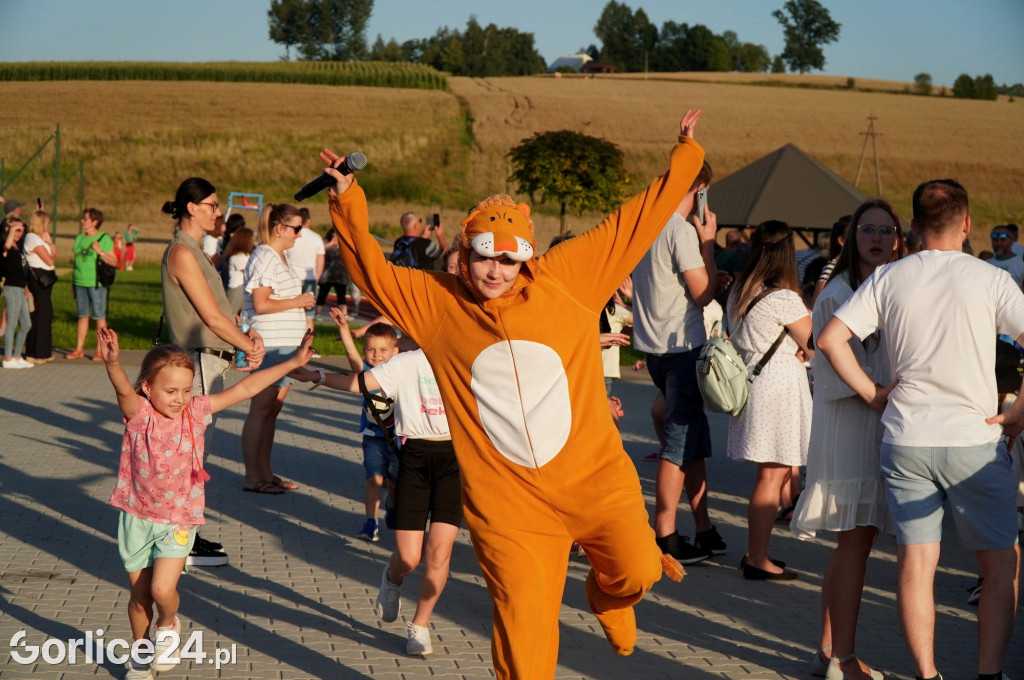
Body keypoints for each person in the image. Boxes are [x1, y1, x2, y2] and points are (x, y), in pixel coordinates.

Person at [318, 109, 705, 679]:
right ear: (463, 253)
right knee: (523, 635)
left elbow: (635, 221)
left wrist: (686, 156)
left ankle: (608, 598)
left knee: (639, 568)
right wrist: (349, 198)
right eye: (482, 256)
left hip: (594, 479)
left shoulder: (567, 279)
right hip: (509, 508)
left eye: (508, 258)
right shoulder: (441, 304)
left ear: (524, 254)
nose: (495, 271)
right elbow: (371, 271)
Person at [817, 179, 1022, 680]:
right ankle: (989, 672)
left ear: (911, 227)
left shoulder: (890, 278)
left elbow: (829, 338)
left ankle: (928, 674)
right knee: (1000, 562)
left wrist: (871, 393)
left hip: (906, 438)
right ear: (968, 224)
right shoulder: (990, 278)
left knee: (917, 562)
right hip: (973, 439)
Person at [98, 326, 313, 680]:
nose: (180, 398)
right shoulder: (139, 415)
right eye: (170, 391)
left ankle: (167, 627)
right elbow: (123, 387)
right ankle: (140, 658)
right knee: (139, 600)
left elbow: (246, 387)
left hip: (179, 519)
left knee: (162, 590)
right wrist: (113, 363)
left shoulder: (195, 413)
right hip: (137, 518)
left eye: (186, 389)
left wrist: (291, 362)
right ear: (148, 388)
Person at [791, 200, 905, 680]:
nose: (876, 238)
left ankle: (827, 650)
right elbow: (834, 365)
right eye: (867, 229)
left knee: (854, 542)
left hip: (871, 421)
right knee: (854, 542)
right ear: (850, 237)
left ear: (899, 238)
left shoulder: (886, 287)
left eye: (886, 230)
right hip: (852, 424)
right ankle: (843, 658)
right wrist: (878, 393)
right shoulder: (840, 293)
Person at [291, 347, 461, 657]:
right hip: (415, 459)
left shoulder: (464, 356)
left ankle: (420, 627)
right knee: (410, 558)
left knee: (440, 551)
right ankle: (391, 578)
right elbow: (359, 383)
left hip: (456, 461)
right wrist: (318, 375)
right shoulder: (407, 362)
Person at [161, 177, 266, 565]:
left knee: (194, 454)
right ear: (192, 207)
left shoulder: (194, 251)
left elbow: (221, 313)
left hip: (207, 359)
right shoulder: (183, 253)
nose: (218, 212)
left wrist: (243, 331)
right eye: (212, 204)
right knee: (189, 454)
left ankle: (184, 536)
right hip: (196, 361)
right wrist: (248, 344)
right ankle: (181, 539)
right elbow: (209, 318)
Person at [630, 161, 727, 564]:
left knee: (695, 443)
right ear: (700, 190)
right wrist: (708, 242)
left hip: (653, 348)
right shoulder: (681, 230)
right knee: (677, 446)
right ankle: (665, 536)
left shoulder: (646, 226)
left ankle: (703, 528)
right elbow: (704, 294)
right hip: (683, 347)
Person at [725, 220, 813, 581]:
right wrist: (804, 354)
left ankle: (756, 550)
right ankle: (757, 558)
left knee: (770, 476)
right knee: (772, 478)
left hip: (754, 384)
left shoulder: (739, 291)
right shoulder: (784, 298)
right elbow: (817, 341)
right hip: (779, 389)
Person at [239, 202, 314, 493]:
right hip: (270, 345)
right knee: (261, 409)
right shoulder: (265, 256)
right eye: (296, 228)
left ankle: (265, 473)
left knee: (272, 410)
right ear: (280, 228)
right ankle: (252, 477)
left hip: (285, 346)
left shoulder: (278, 257)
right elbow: (260, 303)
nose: (299, 234)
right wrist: (298, 302)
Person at [332, 311, 400, 537]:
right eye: (371, 350)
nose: (377, 355)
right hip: (372, 436)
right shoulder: (366, 372)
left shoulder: (402, 371)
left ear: (395, 352)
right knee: (373, 479)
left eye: (383, 350)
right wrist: (344, 329)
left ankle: (391, 505)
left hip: (399, 437)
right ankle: (370, 521)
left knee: (393, 482)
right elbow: (352, 355)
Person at [68, 208, 118, 360]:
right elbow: (76, 263)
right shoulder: (80, 238)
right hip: (79, 282)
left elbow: (114, 261)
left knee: (99, 316)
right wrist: (73, 284)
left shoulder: (104, 238)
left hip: (96, 284)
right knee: (82, 315)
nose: (82, 221)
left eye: (85, 219)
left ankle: (99, 350)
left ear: (94, 222)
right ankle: (79, 349)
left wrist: (100, 251)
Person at [24, 210, 58, 364]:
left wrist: (50, 242)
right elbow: (50, 261)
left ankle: (44, 351)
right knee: (41, 315)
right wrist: (48, 245)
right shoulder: (32, 238)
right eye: (46, 224)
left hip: (46, 279)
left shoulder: (40, 238)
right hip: (39, 279)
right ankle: (36, 353)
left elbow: (54, 255)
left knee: (46, 313)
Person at [284, 207, 325, 333]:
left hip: (292, 277)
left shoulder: (291, 235)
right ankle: (308, 345)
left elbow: (284, 256)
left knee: (290, 313)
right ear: (309, 220)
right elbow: (320, 261)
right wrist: (316, 278)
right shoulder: (316, 237)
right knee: (309, 316)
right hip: (309, 278)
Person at [1, 216, 33, 369]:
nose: (19, 233)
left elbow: (21, 270)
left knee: (26, 324)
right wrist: (11, 229)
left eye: (21, 230)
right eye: (16, 229)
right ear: (8, 228)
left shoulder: (17, 247)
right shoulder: (5, 246)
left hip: (20, 289)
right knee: (12, 324)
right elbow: (5, 247)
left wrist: (26, 287)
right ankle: (7, 359)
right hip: (11, 289)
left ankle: (17, 355)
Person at [315, 228, 349, 320]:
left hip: (340, 276)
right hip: (328, 275)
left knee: (342, 297)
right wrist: (331, 243)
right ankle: (318, 314)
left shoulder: (343, 244)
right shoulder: (326, 242)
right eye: (334, 235)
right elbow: (320, 250)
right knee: (322, 295)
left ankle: (344, 315)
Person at [222, 226, 255, 315]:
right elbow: (248, 271)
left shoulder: (246, 255)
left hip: (244, 290)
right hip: (237, 289)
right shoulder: (237, 256)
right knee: (230, 316)